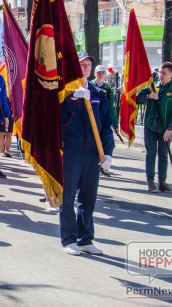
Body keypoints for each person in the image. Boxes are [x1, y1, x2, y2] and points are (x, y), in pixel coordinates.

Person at [60, 52, 115, 256]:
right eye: (82, 64)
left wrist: (108, 153)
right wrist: (72, 96)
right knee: (67, 197)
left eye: (88, 64)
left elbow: (106, 125)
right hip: (71, 149)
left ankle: (85, 239)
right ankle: (68, 239)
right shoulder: (65, 91)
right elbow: (56, 116)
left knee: (89, 197)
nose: (86, 67)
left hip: (93, 151)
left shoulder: (98, 94)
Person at [136, 61, 172, 193]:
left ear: (171, 74)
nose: (160, 75)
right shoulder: (152, 86)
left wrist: (170, 128)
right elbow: (137, 98)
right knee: (150, 154)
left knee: (163, 154)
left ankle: (162, 181)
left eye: (164, 73)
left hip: (165, 129)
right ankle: (150, 181)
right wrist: (148, 96)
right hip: (151, 126)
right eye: (160, 73)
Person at [90, 64, 120, 176]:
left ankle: (104, 166)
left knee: (108, 142)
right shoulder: (90, 85)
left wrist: (115, 124)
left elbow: (111, 108)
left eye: (102, 73)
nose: (100, 75)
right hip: (93, 119)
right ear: (95, 74)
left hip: (103, 119)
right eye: (98, 73)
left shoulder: (107, 89)